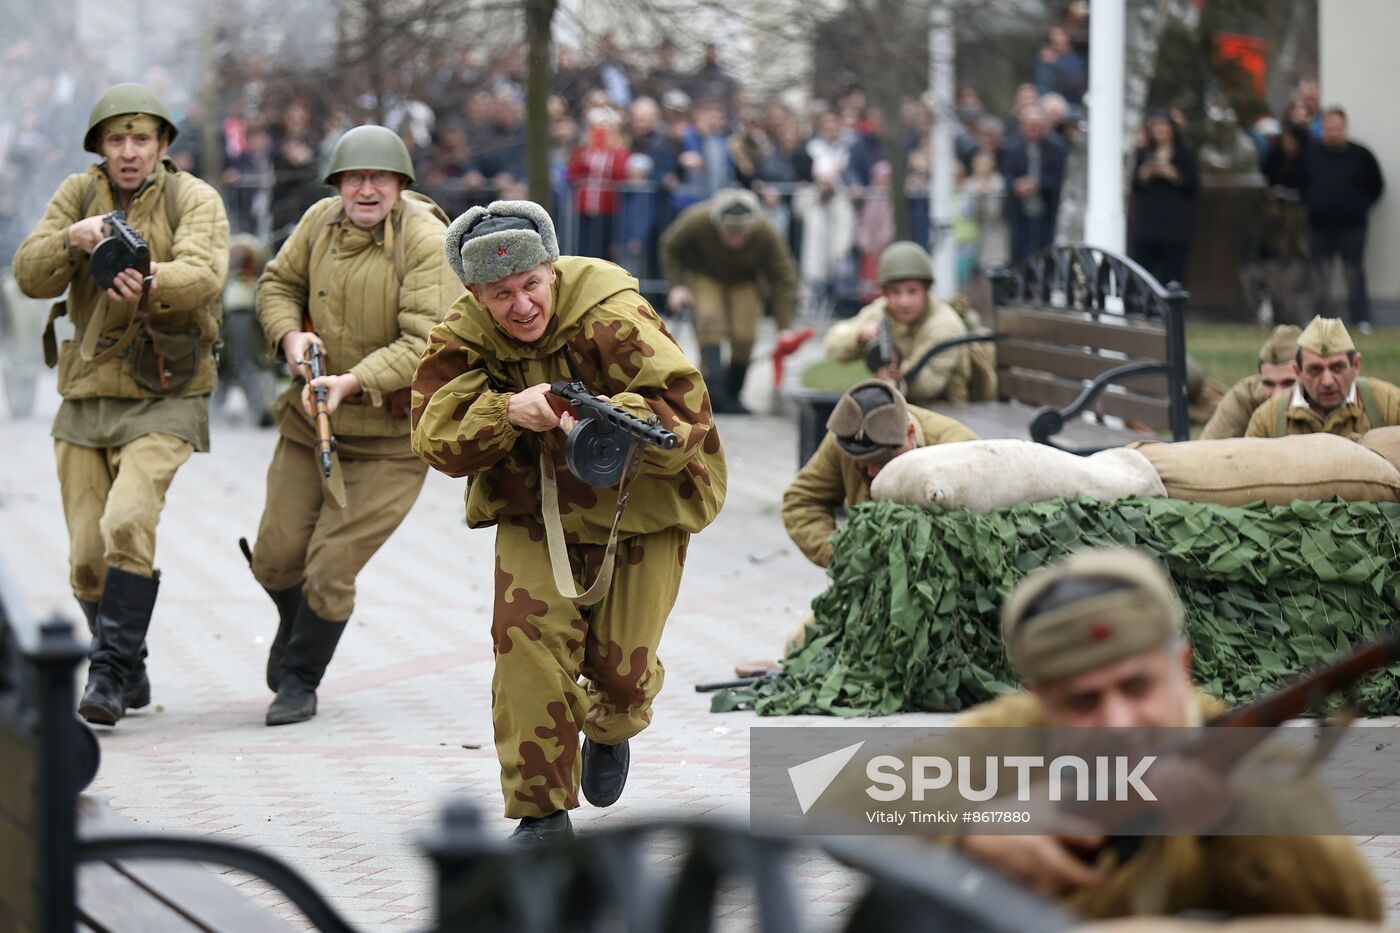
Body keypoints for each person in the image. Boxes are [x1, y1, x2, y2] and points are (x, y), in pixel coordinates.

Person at [411, 200, 726, 842]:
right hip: (535, 508)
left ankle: (609, 730)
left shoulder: (612, 313)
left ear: (552, 271)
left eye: (531, 285)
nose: (521, 306)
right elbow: (433, 436)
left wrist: (603, 416)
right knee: (525, 642)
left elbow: (685, 416)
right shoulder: (462, 335)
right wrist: (507, 412)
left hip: (641, 509)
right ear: (475, 294)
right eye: (501, 295)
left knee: (621, 671)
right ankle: (541, 815)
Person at [954, 547, 1382, 920]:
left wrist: (1228, 819)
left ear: (1182, 667)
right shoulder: (1016, 731)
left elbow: (1353, 909)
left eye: (1137, 686)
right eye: (1084, 702)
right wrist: (976, 826)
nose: (1119, 722)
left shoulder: (1252, 765)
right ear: (1041, 699)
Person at [12, 83, 230, 726]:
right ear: (100, 148)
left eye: (141, 139)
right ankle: (128, 665)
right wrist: (72, 242)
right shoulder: (77, 194)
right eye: (116, 140)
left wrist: (150, 275)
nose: (129, 152)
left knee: (126, 522)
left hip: (167, 390)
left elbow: (205, 273)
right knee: (85, 558)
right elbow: (27, 274)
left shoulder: (195, 197)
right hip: (86, 392)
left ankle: (105, 674)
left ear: (163, 145)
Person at [248, 125, 458, 726]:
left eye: (380, 178)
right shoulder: (318, 222)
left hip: (391, 441)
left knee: (330, 567)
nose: (366, 190)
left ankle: (299, 679)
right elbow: (277, 285)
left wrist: (352, 382)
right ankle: (298, 629)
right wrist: (289, 336)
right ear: (338, 184)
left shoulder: (425, 239)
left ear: (400, 184)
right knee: (275, 558)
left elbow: (426, 340)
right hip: (308, 420)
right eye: (354, 179)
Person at [782, 379, 975, 570]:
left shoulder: (957, 449)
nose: (872, 471)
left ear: (910, 433)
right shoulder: (845, 437)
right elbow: (801, 501)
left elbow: (978, 530)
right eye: (861, 462)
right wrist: (841, 555)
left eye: (882, 460)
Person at [659, 188, 799, 414]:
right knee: (709, 322)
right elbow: (671, 245)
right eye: (730, 233)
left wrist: (784, 327)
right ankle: (713, 390)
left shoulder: (766, 232)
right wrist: (677, 286)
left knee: (745, 334)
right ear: (718, 224)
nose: (735, 239)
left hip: (745, 280)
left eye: (741, 234)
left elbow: (783, 276)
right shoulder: (697, 220)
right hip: (705, 274)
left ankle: (734, 393)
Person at [822, 242, 974, 406]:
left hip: (945, 410)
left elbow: (927, 386)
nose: (904, 301)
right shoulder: (883, 311)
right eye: (895, 292)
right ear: (885, 293)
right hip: (896, 409)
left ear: (926, 290)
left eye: (912, 291)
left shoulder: (944, 325)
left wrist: (893, 370)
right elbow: (833, 346)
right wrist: (860, 335)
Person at [1299, 107, 1384, 334]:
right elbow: (1300, 183)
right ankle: (1317, 320)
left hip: (1352, 226)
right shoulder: (1311, 155)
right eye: (1328, 128)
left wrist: (1358, 206)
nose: (1332, 133)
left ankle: (1360, 319)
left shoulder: (1361, 156)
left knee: (1353, 273)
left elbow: (1376, 186)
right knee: (1319, 276)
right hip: (1319, 226)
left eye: (1336, 128)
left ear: (1344, 128)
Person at [1246, 315, 1400, 438]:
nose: (1327, 381)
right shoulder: (1268, 420)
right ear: (1298, 372)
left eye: (1337, 367)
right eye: (1315, 370)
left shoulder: (1389, 406)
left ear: (1355, 366)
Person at [1129, 111, 1198, 288]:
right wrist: (1145, 174)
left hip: (1175, 225)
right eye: (1155, 126)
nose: (1159, 130)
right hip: (1148, 224)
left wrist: (1173, 174)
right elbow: (1135, 186)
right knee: (1142, 271)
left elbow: (1193, 184)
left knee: (1173, 274)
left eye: (1164, 126)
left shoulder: (1185, 155)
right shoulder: (1144, 154)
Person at [1200, 325, 1300, 439]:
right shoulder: (1243, 398)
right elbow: (1207, 447)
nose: (1277, 393)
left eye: (1288, 383)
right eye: (1268, 383)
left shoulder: (1319, 398)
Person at [1002, 105, 1066, 263]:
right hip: (1019, 212)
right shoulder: (1011, 147)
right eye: (1030, 125)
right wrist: (1017, 185)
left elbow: (1059, 176)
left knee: (1045, 251)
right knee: (1020, 252)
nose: (1034, 129)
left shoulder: (1056, 147)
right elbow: (1006, 175)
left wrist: (1038, 184)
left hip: (1046, 209)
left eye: (1037, 125)